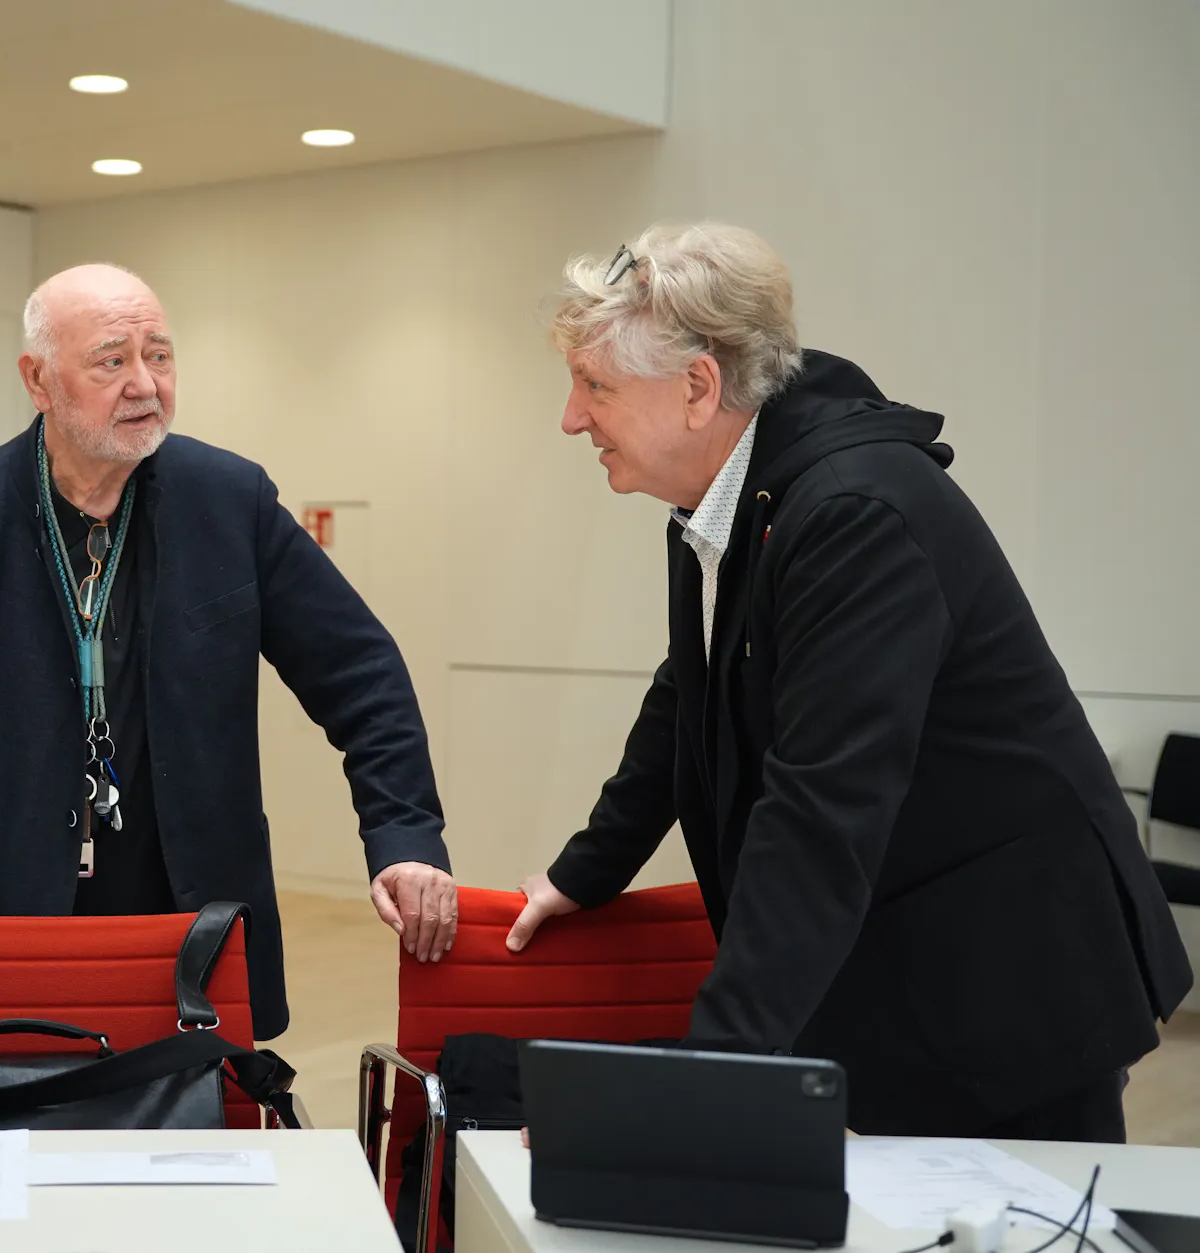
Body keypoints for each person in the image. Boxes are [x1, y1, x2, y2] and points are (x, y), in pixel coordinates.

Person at [504, 223, 1192, 1140]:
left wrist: (704, 1077)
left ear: (699, 388)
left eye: (596, 386)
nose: (571, 417)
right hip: (924, 956)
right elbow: (689, 691)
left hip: (1012, 975)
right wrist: (586, 869)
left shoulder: (852, 512)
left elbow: (820, 812)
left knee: (1017, 1207)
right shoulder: (730, 497)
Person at [0, 263, 456, 1040]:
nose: (145, 383)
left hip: (190, 926)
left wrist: (404, 836)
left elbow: (360, 672)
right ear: (38, 380)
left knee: (195, 1117)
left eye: (159, 355)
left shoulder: (230, 502)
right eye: (112, 360)